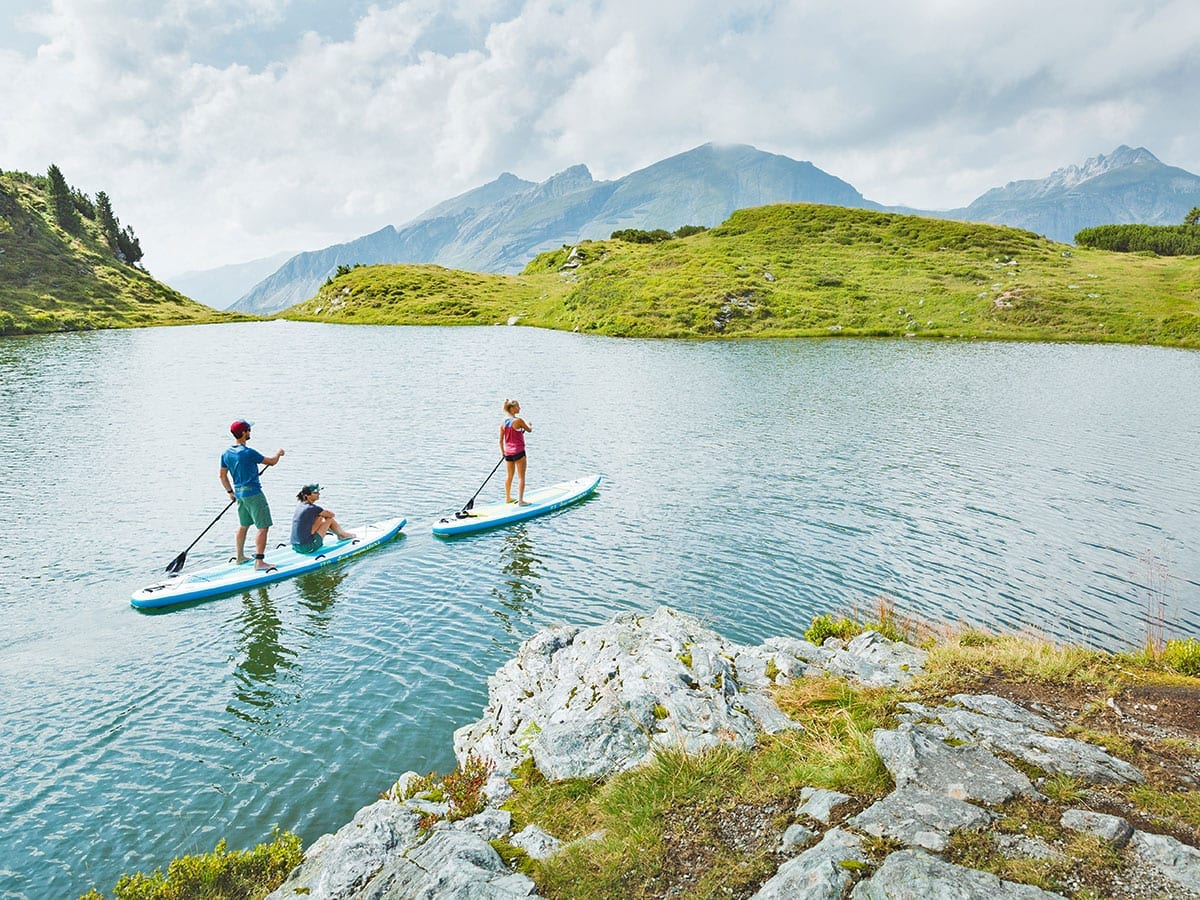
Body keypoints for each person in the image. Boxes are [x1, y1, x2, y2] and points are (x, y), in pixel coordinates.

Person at [219, 420, 285, 570]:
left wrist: (230, 492)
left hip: (239, 495)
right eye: (248, 429)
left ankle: (240, 557)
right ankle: (259, 562)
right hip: (254, 494)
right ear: (244, 433)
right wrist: (279, 453)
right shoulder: (248, 452)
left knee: (244, 525)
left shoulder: (226, 453)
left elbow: (222, 476)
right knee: (263, 527)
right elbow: (272, 462)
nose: (250, 432)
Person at [291, 484, 356, 553]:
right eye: (315, 492)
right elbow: (331, 515)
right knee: (329, 519)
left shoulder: (300, 505)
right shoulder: (313, 508)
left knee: (320, 517)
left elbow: (311, 530)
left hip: (295, 546)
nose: (319, 494)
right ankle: (343, 535)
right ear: (307, 496)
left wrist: (320, 518)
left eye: (318, 492)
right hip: (307, 547)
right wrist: (321, 517)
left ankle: (341, 534)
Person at [499, 398, 533, 505]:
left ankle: (508, 498)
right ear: (513, 409)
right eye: (518, 406)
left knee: (509, 476)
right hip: (519, 452)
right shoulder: (519, 421)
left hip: (508, 453)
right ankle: (521, 501)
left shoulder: (503, 422)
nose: (520, 408)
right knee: (521, 477)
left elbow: (500, 440)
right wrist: (530, 424)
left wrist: (503, 453)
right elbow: (529, 430)